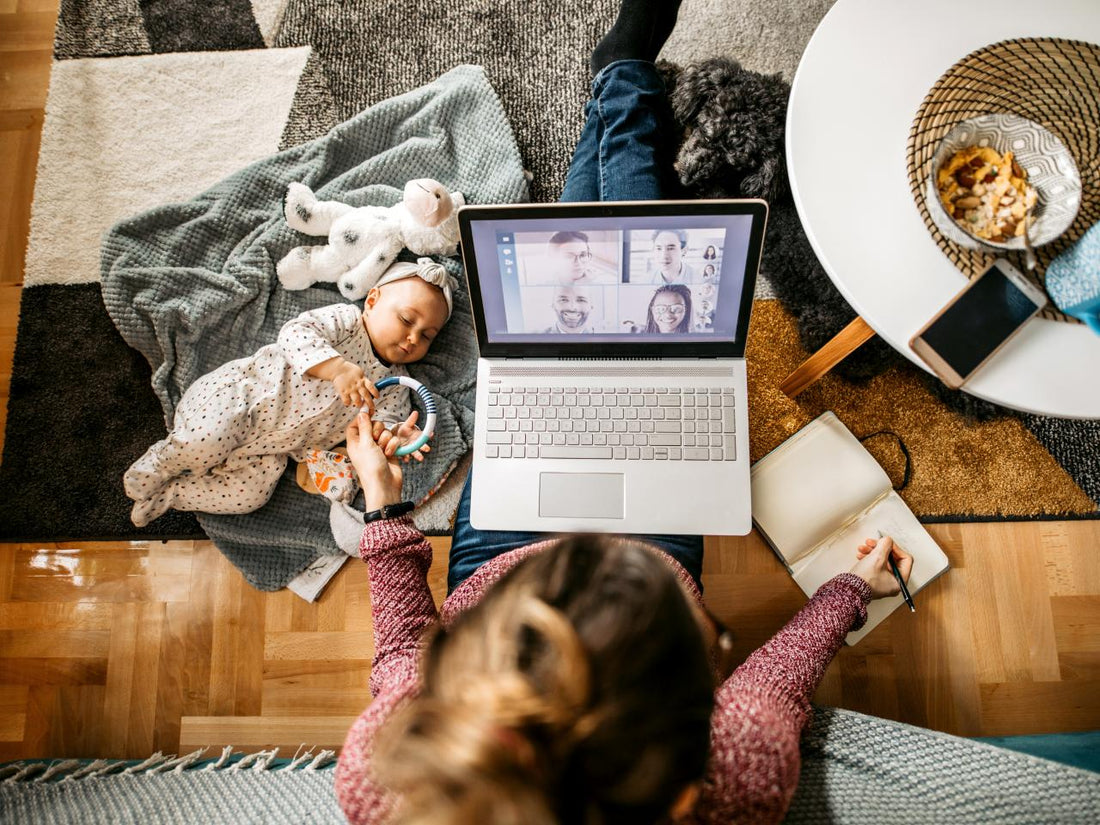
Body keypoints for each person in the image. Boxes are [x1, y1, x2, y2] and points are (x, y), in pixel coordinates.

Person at [334, 2, 915, 823]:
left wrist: (383, 506)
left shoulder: (394, 779)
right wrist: (851, 590)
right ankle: (619, 79)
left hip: (502, 540)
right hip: (646, 534)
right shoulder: (736, 785)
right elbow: (774, 685)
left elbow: (402, 646)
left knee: (564, 303)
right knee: (647, 307)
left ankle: (620, 82)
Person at [123, 259, 454, 527]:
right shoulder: (347, 322)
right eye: (406, 320)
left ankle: (172, 494)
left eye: (427, 336)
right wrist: (337, 368)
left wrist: (396, 435)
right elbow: (295, 333)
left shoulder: (396, 384)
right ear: (372, 301)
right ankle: (161, 464)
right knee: (206, 440)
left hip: (269, 452)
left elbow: (381, 424)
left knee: (251, 495)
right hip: (242, 399)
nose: (413, 338)